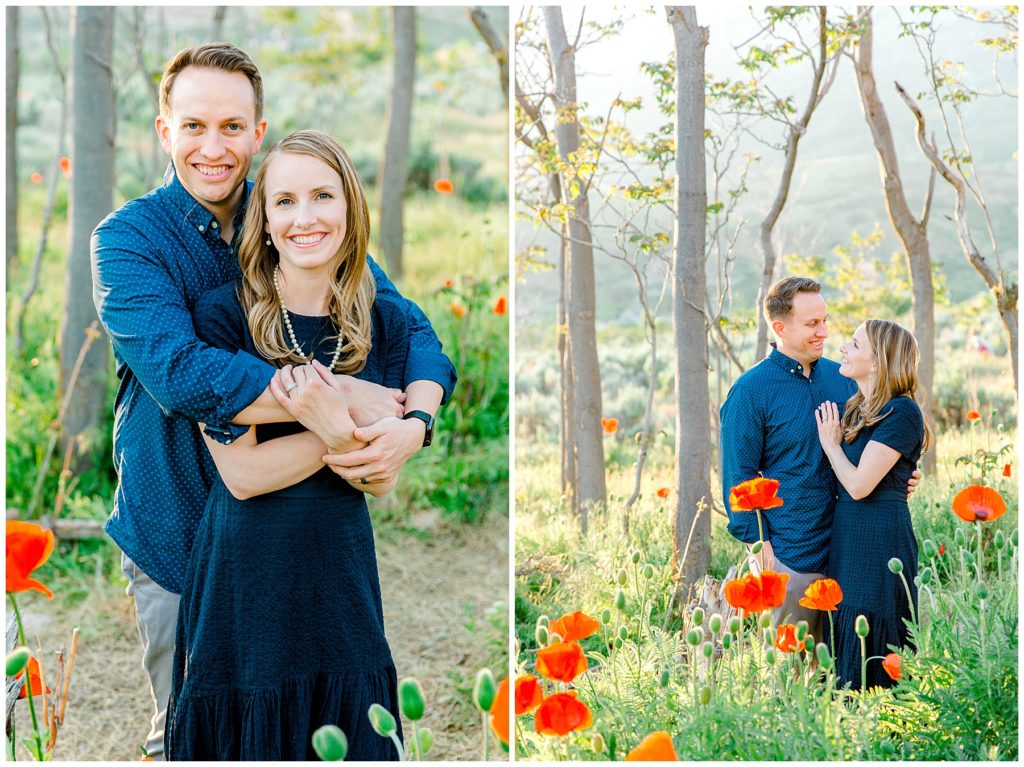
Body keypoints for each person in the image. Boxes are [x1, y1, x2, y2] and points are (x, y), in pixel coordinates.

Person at [91, 43, 455, 759]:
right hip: (179, 527)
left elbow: (410, 327)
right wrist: (339, 398)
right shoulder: (129, 241)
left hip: (296, 537)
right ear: (164, 131)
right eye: (193, 126)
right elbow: (185, 375)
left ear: (258, 132)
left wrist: (415, 421)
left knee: (315, 719)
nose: (213, 146)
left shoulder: (291, 208)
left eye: (232, 127)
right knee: (199, 729)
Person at [164, 129, 410, 760]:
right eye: (285, 202)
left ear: (350, 211)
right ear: (265, 221)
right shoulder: (222, 315)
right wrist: (333, 427)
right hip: (248, 571)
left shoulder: (374, 321)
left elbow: (379, 479)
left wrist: (355, 431)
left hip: (339, 566)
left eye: (323, 196)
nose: (305, 218)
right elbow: (243, 474)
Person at [720, 277, 917, 640]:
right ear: (779, 327)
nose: (823, 332)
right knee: (793, 681)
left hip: (852, 557)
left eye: (825, 320)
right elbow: (738, 481)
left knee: (846, 674)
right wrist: (765, 556)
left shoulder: (842, 378)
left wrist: (899, 478)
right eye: (812, 324)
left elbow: (876, 442)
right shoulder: (750, 392)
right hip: (793, 560)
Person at [815, 320, 930, 690]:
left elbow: (861, 485)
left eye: (854, 344)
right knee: (847, 634)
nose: (843, 349)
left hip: (881, 544)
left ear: (878, 360)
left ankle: (884, 738)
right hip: (848, 542)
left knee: (877, 638)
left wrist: (831, 445)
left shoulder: (902, 411)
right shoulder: (859, 409)